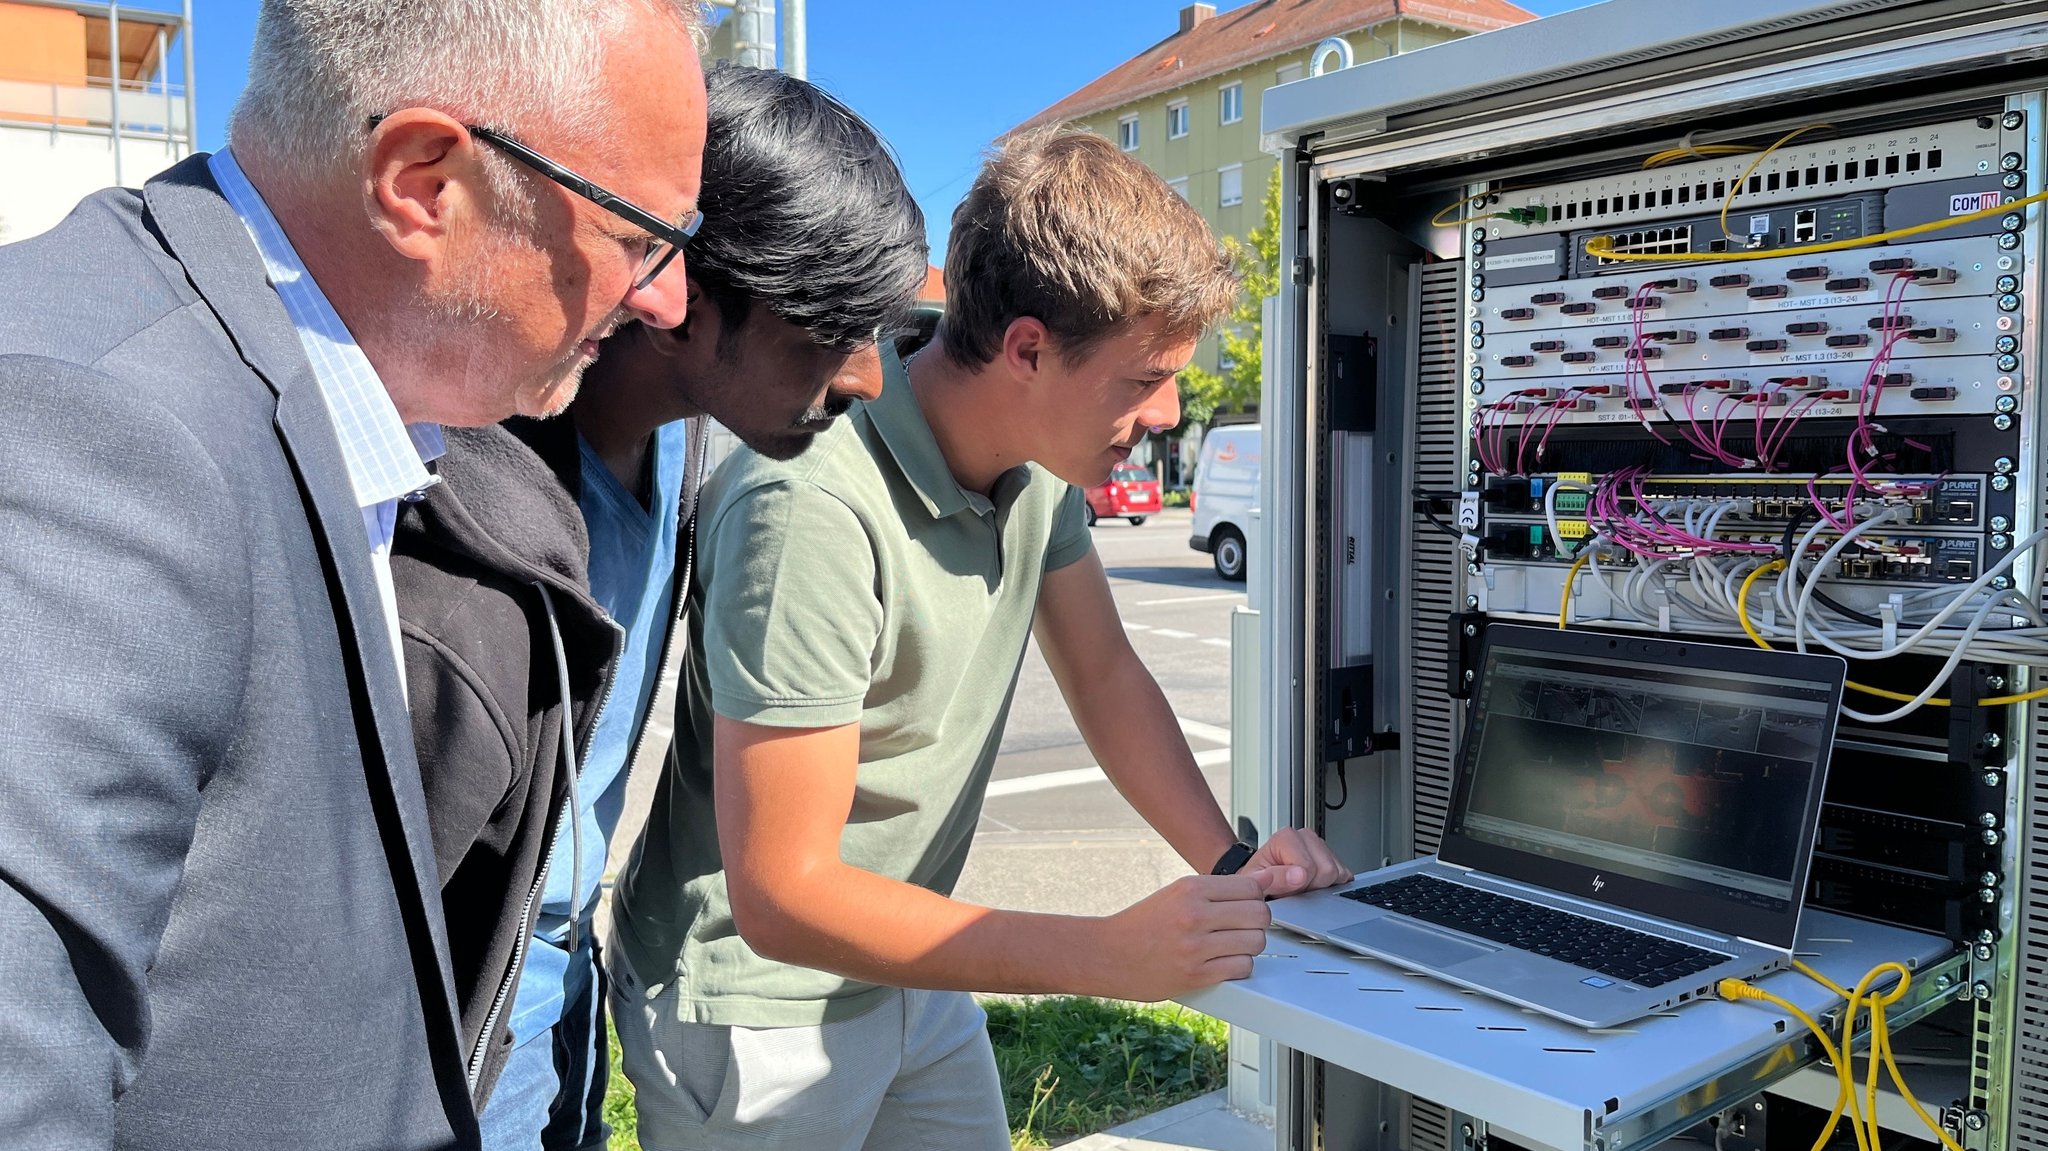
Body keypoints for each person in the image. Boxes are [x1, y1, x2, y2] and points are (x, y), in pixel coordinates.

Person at [0, 0, 704, 1146]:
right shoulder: (90, 437)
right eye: (640, 235)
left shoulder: (342, 409)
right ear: (423, 180)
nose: (664, 298)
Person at [607, 128, 1353, 1151]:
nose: (1169, 412)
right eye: (1142, 378)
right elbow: (782, 894)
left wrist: (1231, 866)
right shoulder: (809, 507)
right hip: (757, 1004)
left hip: (917, 957)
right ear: (1029, 349)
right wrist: (1103, 955)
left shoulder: (1038, 465)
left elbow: (1104, 677)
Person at [392, 64, 929, 1150]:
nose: (864, 379)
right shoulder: (453, 509)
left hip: (555, 1009)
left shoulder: (686, 449)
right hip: (436, 1047)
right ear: (678, 296)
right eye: (826, 329)